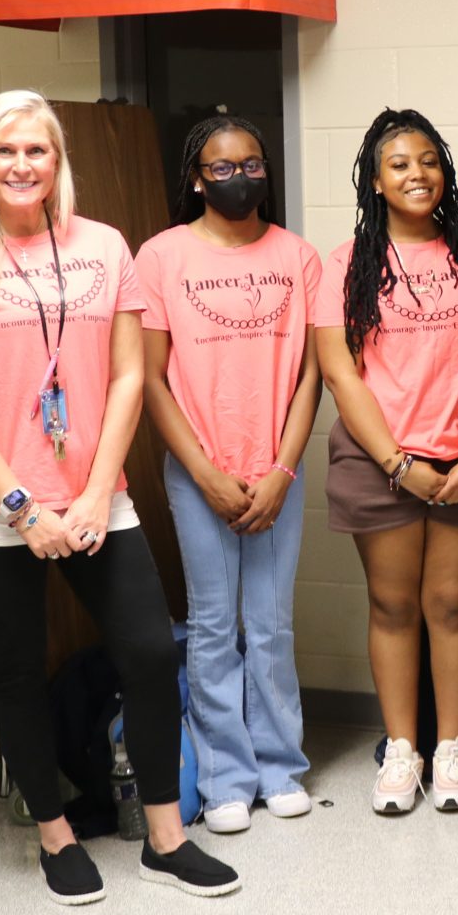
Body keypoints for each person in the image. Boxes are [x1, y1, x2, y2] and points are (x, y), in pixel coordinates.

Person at [0, 90, 238, 903]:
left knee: (152, 655)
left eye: (37, 150)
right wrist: (24, 507)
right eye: (5, 150)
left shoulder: (102, 246)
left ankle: (166, 834)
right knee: (15, 671)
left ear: (59, 162)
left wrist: (93, 495)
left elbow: (128, 375)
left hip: (94, 497)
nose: (22, 165)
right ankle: (55, 837)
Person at [314, 108, 458, 816]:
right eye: (399, 163)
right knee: (394, 604)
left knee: (452, 602)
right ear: (375, 180)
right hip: (380, 459)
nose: (417, 173)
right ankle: (403, 747)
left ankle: (453, 744)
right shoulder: (344, 263)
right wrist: (399, 464)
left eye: (428, 160)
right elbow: (339, 370)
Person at [138, 114, 323, 834]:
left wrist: (281, 468)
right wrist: (207, 474)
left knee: (271, 626)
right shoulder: (161, 256)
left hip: (279, 470)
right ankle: (224, 779)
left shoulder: (298, 257)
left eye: (251, 163)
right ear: (195, 177)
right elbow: (151, 378)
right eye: (221, 166)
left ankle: (280, 767)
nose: (239, 175)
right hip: (197, 472)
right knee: (214, 626)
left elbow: (312, 375)